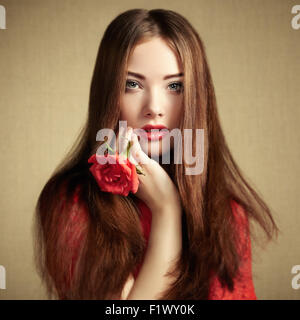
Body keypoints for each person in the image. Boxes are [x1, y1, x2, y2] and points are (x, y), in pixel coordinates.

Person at [33, 8, 279, 300]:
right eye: (132, 84)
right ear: (108, 93)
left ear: (197, 96)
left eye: (175, 86)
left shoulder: (226, 213)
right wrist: (166, 209)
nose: (155, 107)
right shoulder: (74, 202)